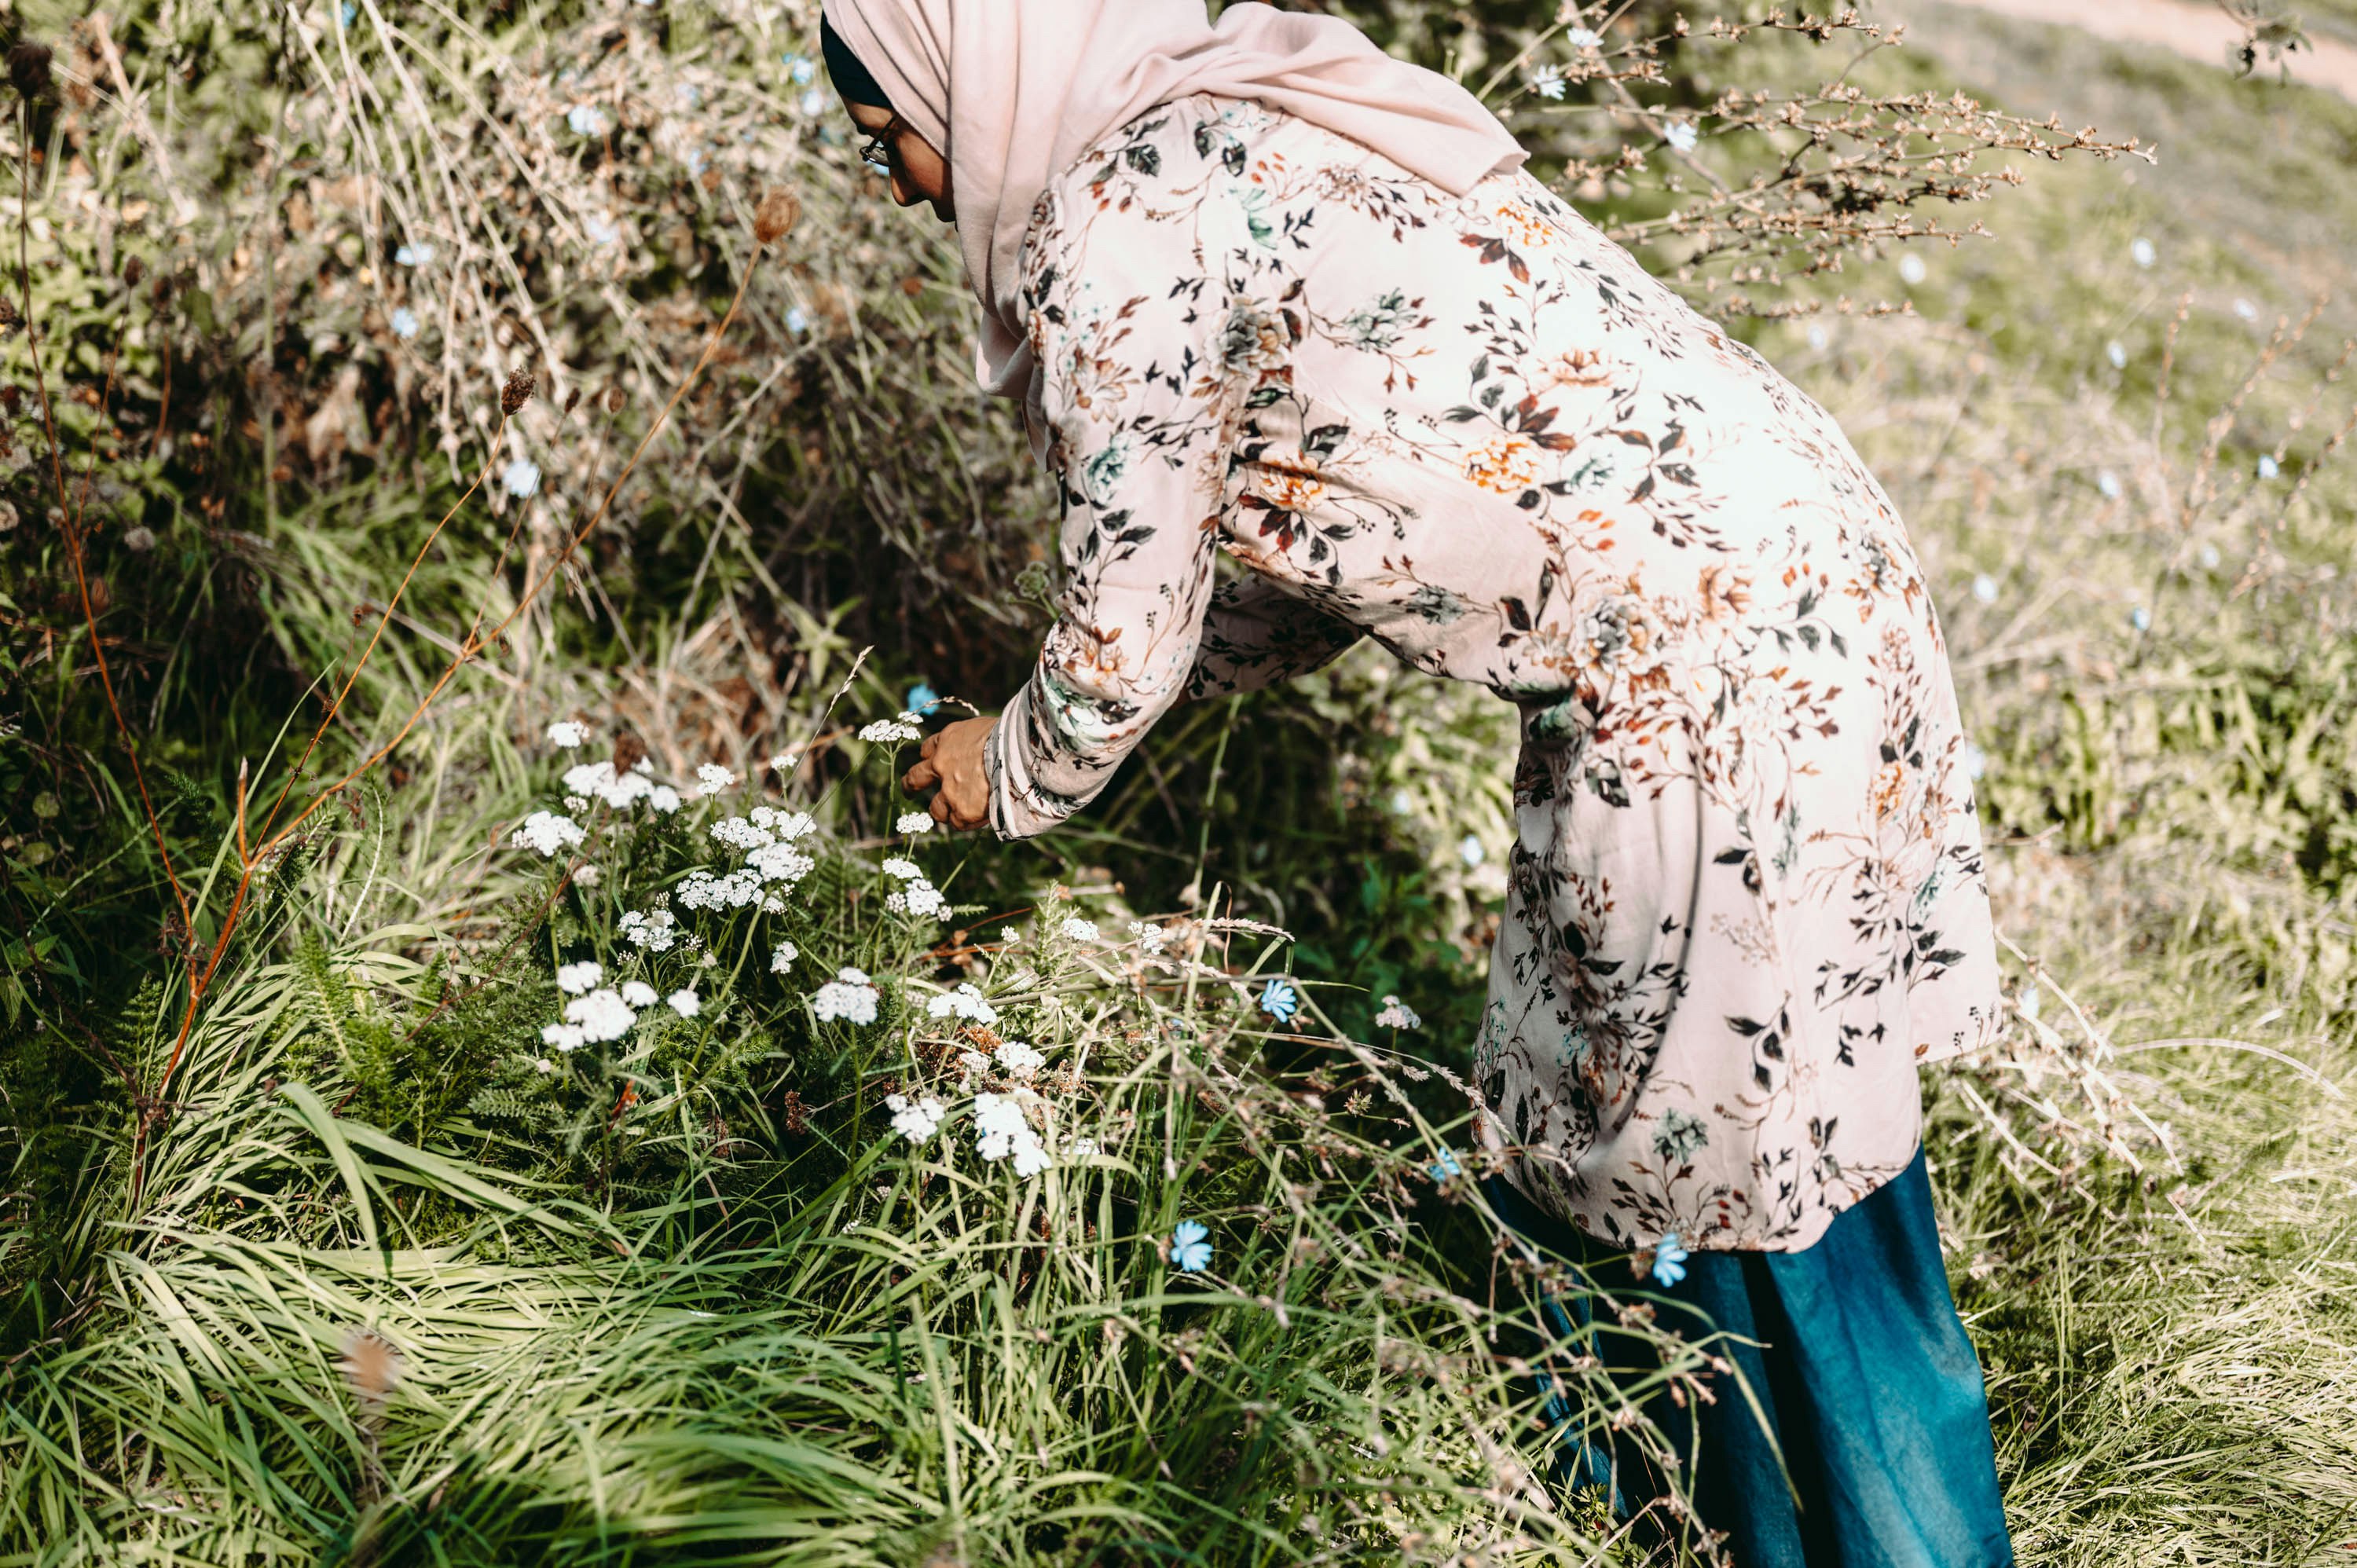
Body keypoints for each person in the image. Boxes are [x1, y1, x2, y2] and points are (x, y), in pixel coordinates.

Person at [823, 2, 2014, 1562]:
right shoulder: (1267, 102)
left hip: (1696, 685)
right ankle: (1689, 1518)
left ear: (964, 77)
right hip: (1801, 579)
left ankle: (1849, 1534)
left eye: (887, 136)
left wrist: (1010, 766)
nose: (900, 185)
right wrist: (1165, 664)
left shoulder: (1116, 217)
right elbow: (1303, 515)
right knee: (1742, 1149)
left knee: (1757, 1197)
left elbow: (1125, 631)